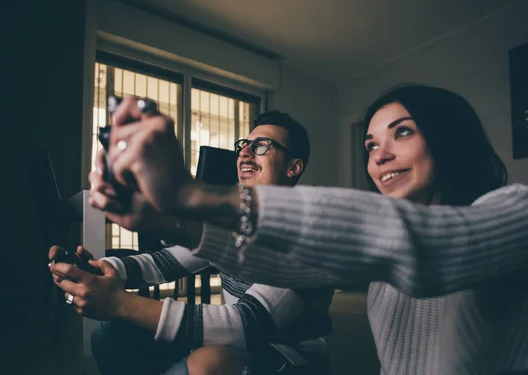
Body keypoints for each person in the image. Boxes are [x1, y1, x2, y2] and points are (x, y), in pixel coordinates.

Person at [100, 86, 528, 375]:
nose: (379, 156)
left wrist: (195, 198)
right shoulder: (366, 253)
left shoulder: (515, 211)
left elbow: (425, 243)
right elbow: (278, 257)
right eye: (371, 145)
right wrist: (160, 219)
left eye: (403, 133)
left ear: (449, 139)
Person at [49, 111, 334, 374]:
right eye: (244, 145)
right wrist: (101, 268)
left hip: (288, 357)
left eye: (261, 145)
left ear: (293, 167)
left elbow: (244, 324)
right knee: (110, 333)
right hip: (237, 342)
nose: (244, 153)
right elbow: (167, 261)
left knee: (209, 362)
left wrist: (120, 302)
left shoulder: (308, 232)